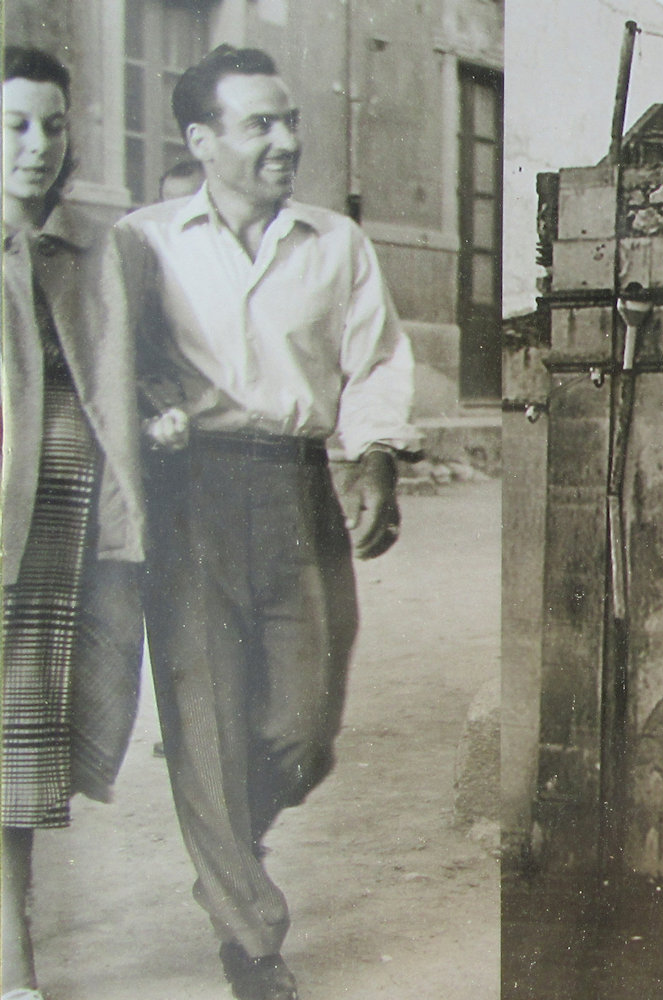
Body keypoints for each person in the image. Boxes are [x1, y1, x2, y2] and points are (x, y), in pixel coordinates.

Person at [114, 44, 418, 1000]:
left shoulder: (335, 244)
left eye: (289, 119)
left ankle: (224, 846)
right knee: (203, 722)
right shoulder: (143, 241)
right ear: (202, 141)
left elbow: (375, 363)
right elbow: (104, 357)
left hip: (296, 492)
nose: (287, 139)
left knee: (301, 726)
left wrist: (375, 460)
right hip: (188, 497)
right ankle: (250, 941)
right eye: (261, 124)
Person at [1, 46, 146, 1000]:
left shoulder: (88, 252)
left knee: (18, 759)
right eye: (15, 125)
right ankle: (13, 964)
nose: (38, 146)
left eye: (53, 125)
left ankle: (12, 959)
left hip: (62, 534)